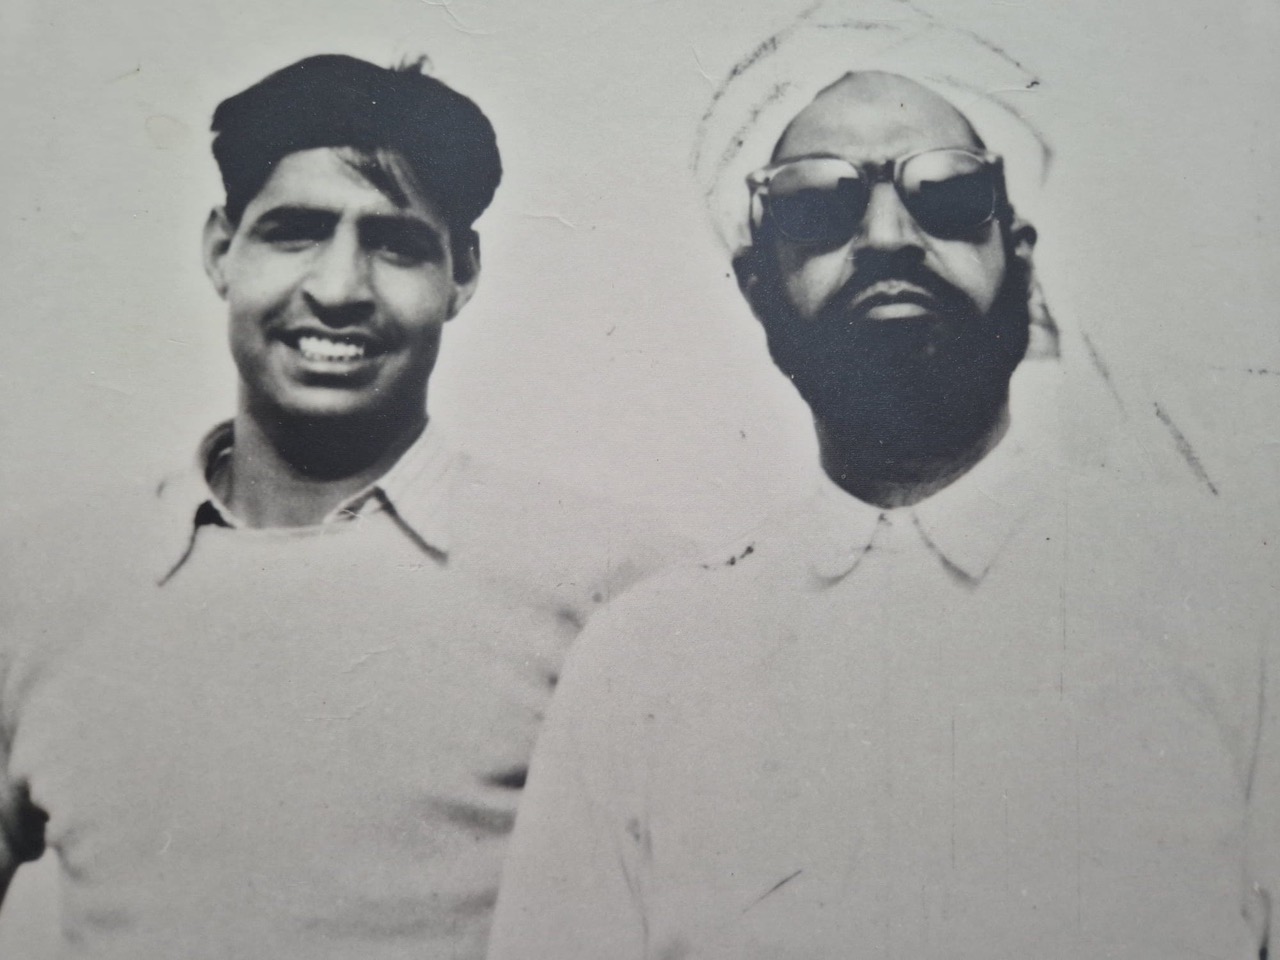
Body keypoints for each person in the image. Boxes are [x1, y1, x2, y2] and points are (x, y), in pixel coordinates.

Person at [487, 69, 1278, 959]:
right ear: (757, 287)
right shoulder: (640, 664)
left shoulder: (1228, 604)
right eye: (820, 207)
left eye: (948, 196)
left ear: (1020, 260)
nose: (890, 237)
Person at [0, 54, 684, 959]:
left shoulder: (610, 591)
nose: (338, 290)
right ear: (221, 250)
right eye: (295, 232)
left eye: (396, 244)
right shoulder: (42, 587)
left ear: (462, 273)